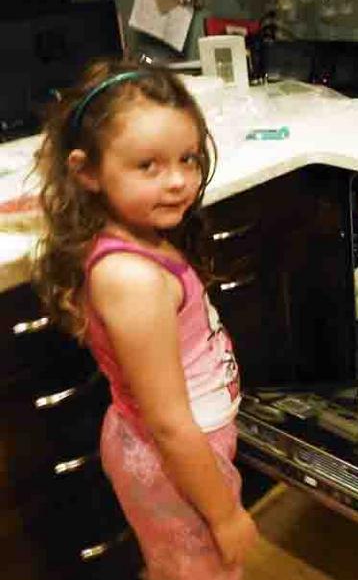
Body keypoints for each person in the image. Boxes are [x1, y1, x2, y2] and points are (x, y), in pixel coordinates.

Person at [32, 59, 258, 580]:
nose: (178, 181)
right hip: (171, 459)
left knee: (180, 569)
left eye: (188, 158)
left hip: (181, 455)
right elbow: (169, 423)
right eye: (148, 166)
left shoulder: (136, 239)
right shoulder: (131, 278)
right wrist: (224, 514)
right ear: (86, 171)